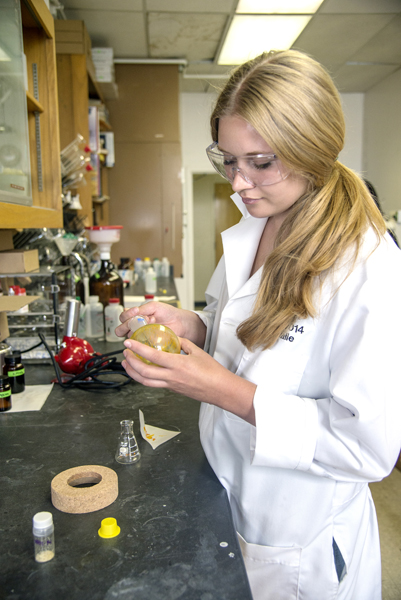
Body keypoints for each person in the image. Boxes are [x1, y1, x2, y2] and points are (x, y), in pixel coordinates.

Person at [116, 50, 401, 600]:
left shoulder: (368, 265)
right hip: (226, 491)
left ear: (313, 149)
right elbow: (243, 326)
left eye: (261, 162)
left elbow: (369, 448)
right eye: (228, 159)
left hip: (296, 537)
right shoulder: (257, 223)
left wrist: (221, 389)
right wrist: (196, 326)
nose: (239, 183)